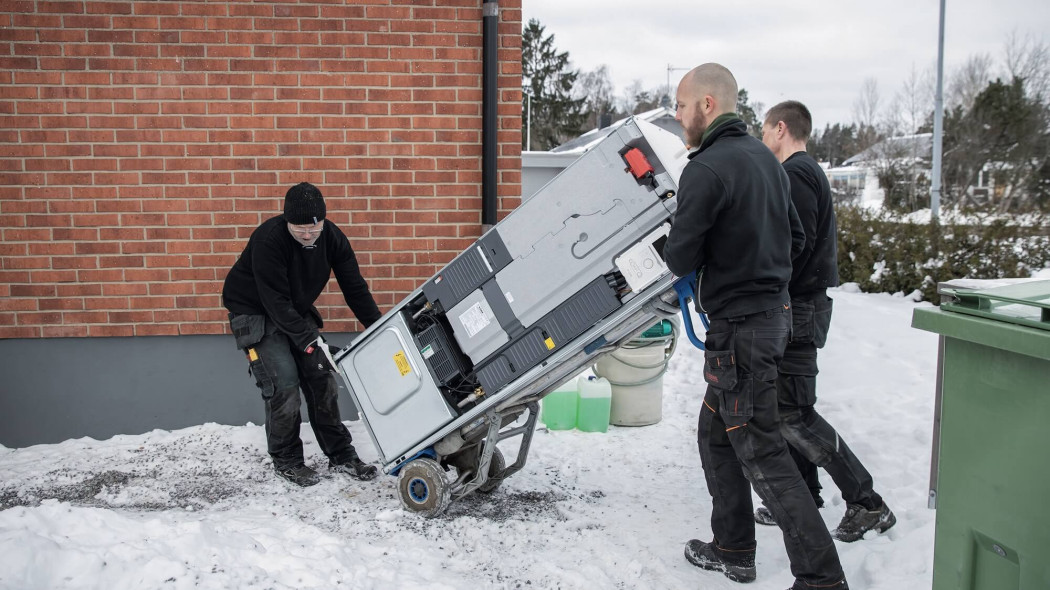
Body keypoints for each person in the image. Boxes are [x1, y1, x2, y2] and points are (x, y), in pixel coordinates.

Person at [663, 64, 848, 590]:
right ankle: (734, 548)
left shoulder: (706, 168)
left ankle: (821, 578)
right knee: (716, 433)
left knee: (763, 451)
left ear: (706, 105)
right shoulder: (766, 163)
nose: (677, 116)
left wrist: (725, 273)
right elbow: (793, 238)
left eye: (680, 105)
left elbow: (680, 256)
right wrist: (757, 274)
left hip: (741, 333)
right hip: (770, 320)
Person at [757, 100, 896, 542]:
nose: (762, 139)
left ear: (781, 129)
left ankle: (868, 503)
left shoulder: (796, 175)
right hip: (800, 307)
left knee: (795, 413)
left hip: (799, 309)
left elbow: (792, 246)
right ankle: (804, 497)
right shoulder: (805, 171)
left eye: (764, 131)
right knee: (785, 409)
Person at [222, 182, 382, 487]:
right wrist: (309, 342)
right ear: (287, 222)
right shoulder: (269, 240)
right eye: (299, 228)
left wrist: (378, 328)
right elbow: (274, 302)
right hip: (255, 311)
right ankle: (287, 461)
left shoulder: (332, 237)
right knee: (283, 382)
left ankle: (342, 454)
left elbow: (355, 287)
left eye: (314, 227)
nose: (308, 234)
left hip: (292, 308)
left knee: (321, 378)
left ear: (322, 221)